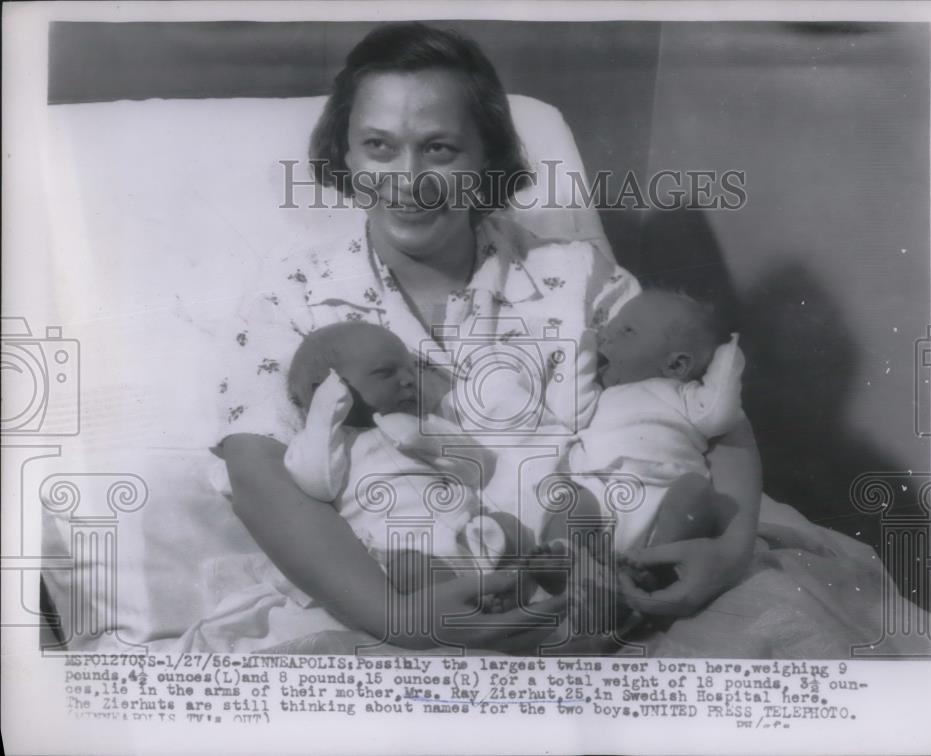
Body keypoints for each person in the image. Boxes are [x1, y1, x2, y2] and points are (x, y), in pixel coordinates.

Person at [216, 21, 761, 652]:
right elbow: (257, 471)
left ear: (488, 159)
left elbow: (713, 415)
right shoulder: (290, 299)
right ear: (345, 156)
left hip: (606, 586)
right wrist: (398, 618)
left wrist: (729, 549)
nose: (409, 177)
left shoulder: (578, 277)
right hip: (395, 597)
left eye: (440, 149)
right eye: (379, 146)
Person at [282, 321, 533, 596]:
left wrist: (429, 440)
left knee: (507, 526)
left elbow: (474, 468)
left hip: (464, 525)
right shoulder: (324, 442)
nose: (409, 380)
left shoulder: (426, 423)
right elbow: (317, 484)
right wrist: (323, 416)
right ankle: (481, 601)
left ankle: (523, 581)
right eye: (385, 373)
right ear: (327, 390)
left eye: (411, 371)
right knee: (415, 573)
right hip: (404, 547)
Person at [530, 288, 745, 595]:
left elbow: (721, 412)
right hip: (601, 491)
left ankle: (656, 563)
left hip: (662, 497)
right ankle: (563, 559)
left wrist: (728, 355)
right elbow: (567, 407)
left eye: (626, 332)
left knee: (694, 490)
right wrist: (584, 344)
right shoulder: (598, 395)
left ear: (675, 366)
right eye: (609, 328)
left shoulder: (684, 397)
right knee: (573, 501)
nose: (606, 335)